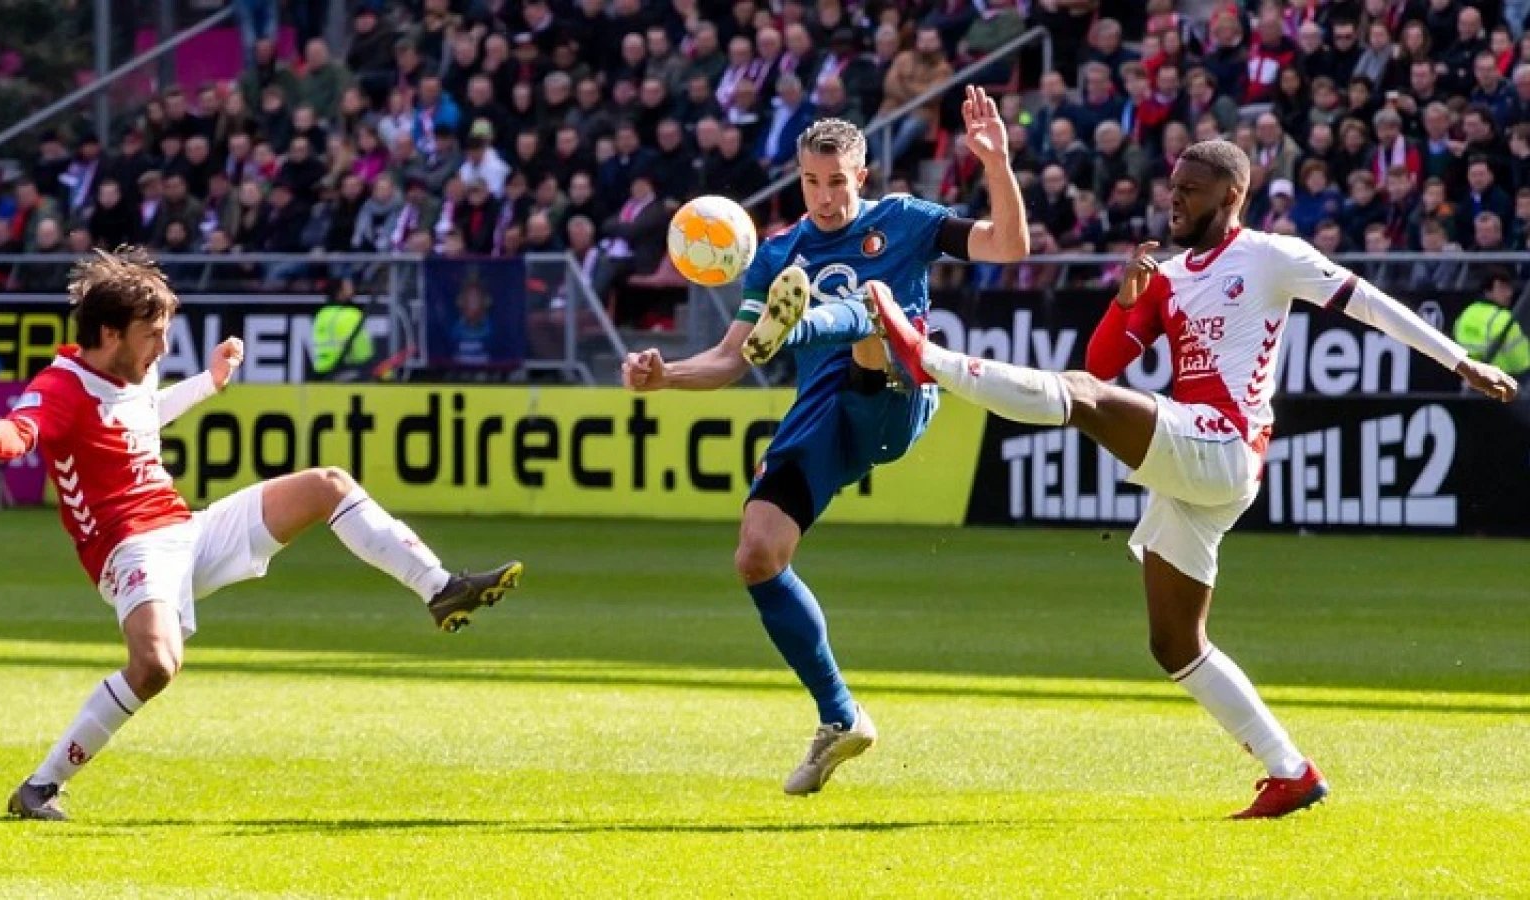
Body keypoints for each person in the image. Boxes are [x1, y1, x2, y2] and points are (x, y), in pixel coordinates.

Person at [866, 140, 1520, 819]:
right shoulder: (1170, 275)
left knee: (1083, 399)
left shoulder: (1272, 256)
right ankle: (1290, 772)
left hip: (1225, 444)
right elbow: (1103, 359)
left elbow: (1371, 304)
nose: (1173, 199)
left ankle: (931, 362)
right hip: (1193, 467)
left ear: (1230, 195)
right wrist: (1126, 299)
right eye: (1173, 185)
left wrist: (1459, 362)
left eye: (1191, 189)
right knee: (1175, 641)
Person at [0, 249, 525, 821]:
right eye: (152, 335)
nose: (163, 348)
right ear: (109, 332)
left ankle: (440, 587)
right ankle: (40, 787)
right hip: (130, 547)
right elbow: (23, 427)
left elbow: (143, 410)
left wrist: (209, 382)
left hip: (187, 529)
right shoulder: (61, 386)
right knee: (154, 667)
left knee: (328, 485)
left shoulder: (128, 374)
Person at [620, 88, 1030, 795]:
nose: (825, 196)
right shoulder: (779, 250)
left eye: (837, 181)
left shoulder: (905, 220)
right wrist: (665, 376)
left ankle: (804, 324)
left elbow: (1009, 246)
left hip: (896, 392)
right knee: (757, 554)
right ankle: (841, 718)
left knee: (875, 318)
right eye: (812, 181)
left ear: (861, 176)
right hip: (820, 414)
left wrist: (995, 164)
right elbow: (729, 357)